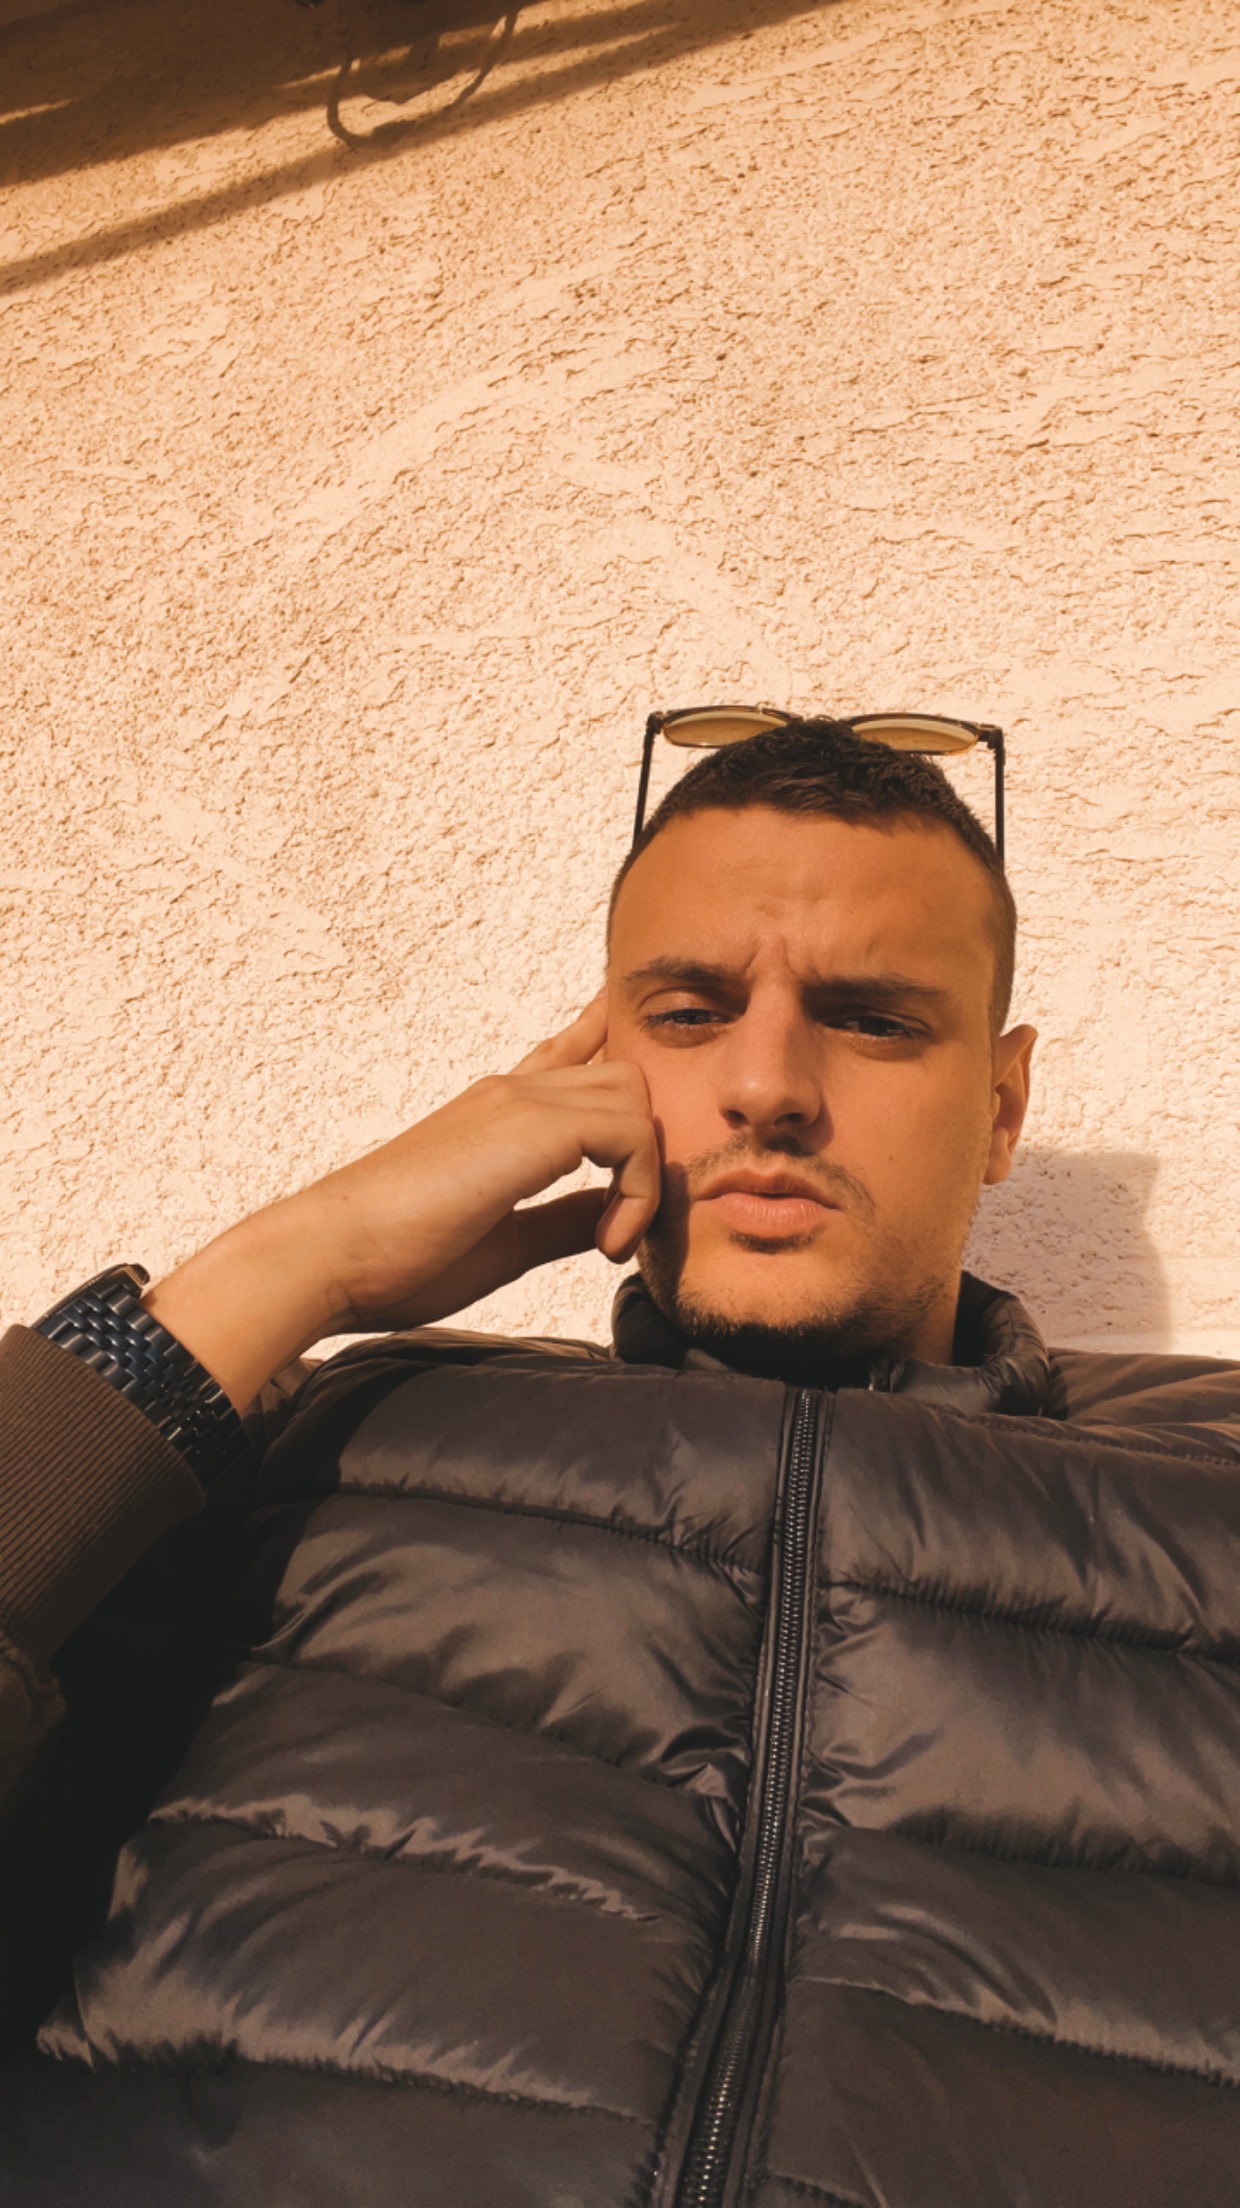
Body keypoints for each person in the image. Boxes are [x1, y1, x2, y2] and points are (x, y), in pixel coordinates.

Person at [0, 722, 1238, 2207]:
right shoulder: (330, 1439)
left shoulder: (1205, 1499)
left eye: (873, 1020)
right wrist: (292, 1263)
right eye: (692, 1012)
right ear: (594, 1060)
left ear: (1002, 1106)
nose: (768, 1085)